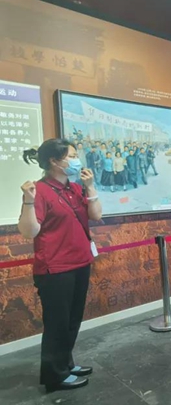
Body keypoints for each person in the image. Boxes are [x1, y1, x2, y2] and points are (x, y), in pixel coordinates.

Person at [19, 139, 102, 392]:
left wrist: (90, 186)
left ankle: (66, 364)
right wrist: (28, 201)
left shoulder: (75, 188)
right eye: (72, 156)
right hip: (54, 269)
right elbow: (29, 231)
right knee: (57, 324)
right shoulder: (40, 190)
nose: (77, 160)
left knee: (72, 320)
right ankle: (55, 376)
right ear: (55, 161)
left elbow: (96, 215)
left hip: (80, 262)